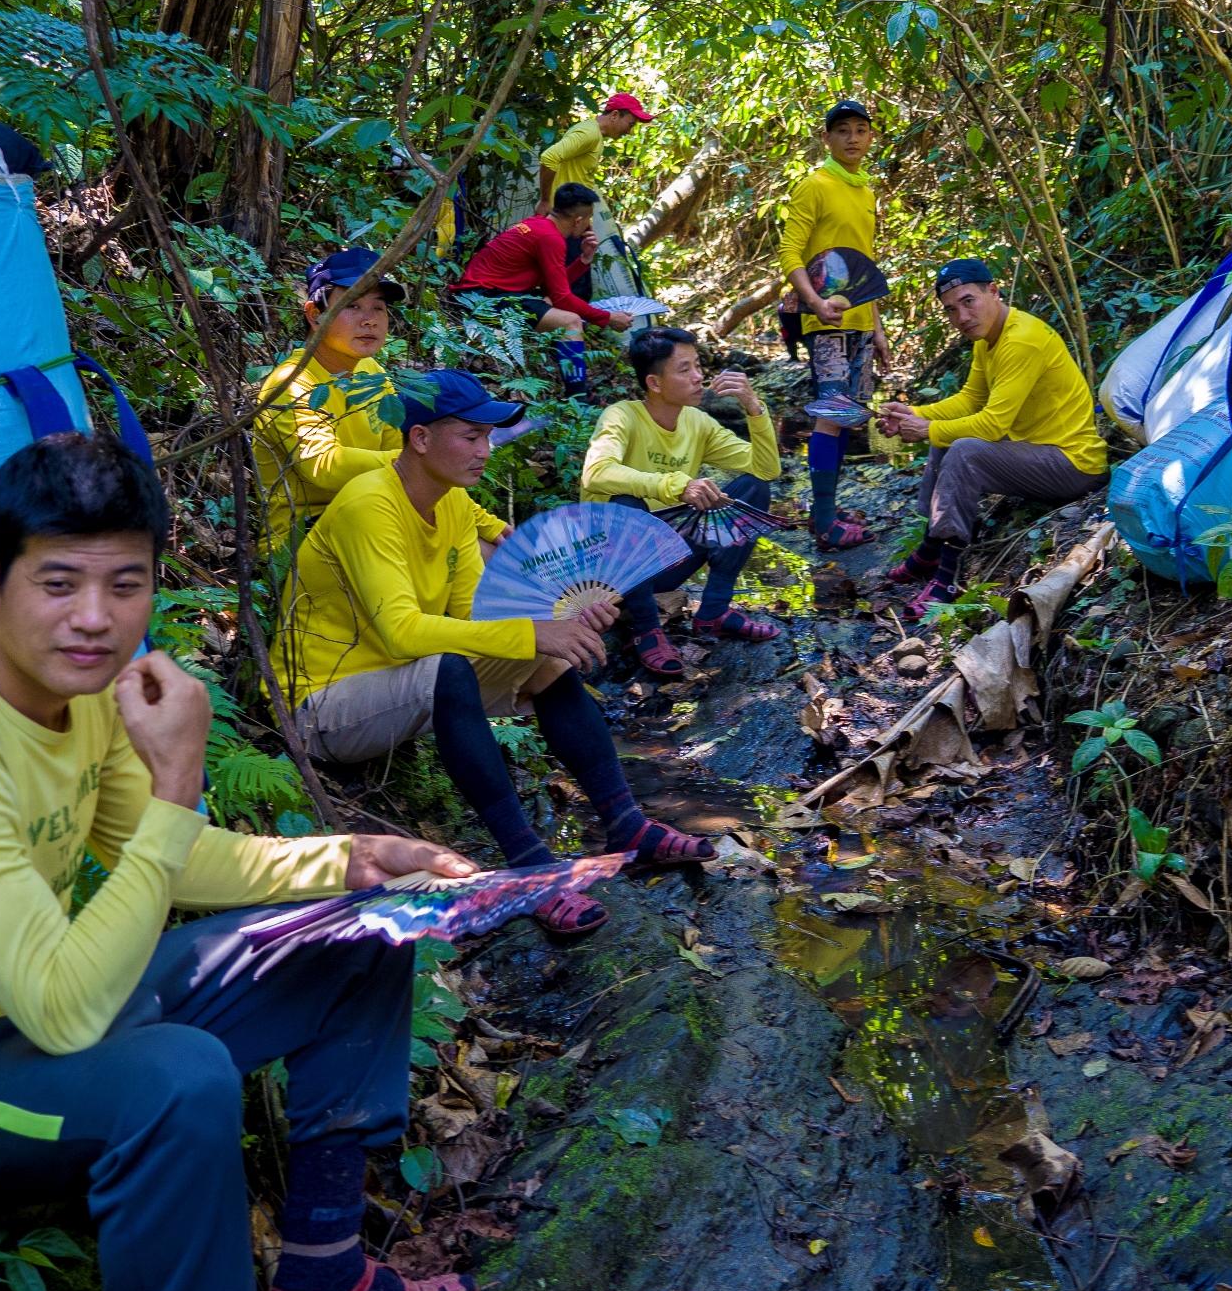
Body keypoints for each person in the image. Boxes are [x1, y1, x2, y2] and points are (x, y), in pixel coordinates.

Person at [0, 433, 482, 1291]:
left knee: (363, 931)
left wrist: (348, 861)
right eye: (58, 583)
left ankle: (326, 1281)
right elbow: (66, 1013)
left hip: (40, 991)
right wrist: (176, 788)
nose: (94, 620)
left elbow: (165, 860)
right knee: (176, 1079)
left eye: (126, 585)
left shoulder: (81, 691)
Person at [271, 368, 715, 936]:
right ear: (421, 439)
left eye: (487, 438)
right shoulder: (368, 506)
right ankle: (529, 868)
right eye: (471, 437)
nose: (485, 451)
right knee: (454, 668)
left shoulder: (453, 503)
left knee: (549, 660)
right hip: (322, 707)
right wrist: (532, 632)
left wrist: (559, 623)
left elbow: (469, 620)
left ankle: (625, 822)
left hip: (401, 681)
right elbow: (403, 633)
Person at [875, 260, 1109, 617]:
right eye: (951, 309)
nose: (962, 316)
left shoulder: (1020, 341)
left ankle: (947, 576)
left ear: (994, 291)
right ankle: (931, 546)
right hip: (1039, 452)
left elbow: (992, 426)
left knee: (964, 450)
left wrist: (925, 430)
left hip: (1073, 464)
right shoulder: (988, 340)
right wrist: (915, 414)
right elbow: (971, 400)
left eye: (969, 301)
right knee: (948, 438)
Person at [253, 247, 507, 559]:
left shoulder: (370, 372)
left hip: (372, 511)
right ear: (315, 315)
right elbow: (324, 468)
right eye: (352, 306)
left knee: (489, 553)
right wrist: (417, 464)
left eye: (378, 308)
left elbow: (404, 456)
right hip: (303, 541)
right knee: (475, 556)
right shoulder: (291, 384)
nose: (369, 321)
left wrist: (479, 519)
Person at [581, 327, 785, 675]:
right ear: (655, 383)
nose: (698, 377)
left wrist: (754, 408)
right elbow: (595, 473)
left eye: (698, 366)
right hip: (615, 570)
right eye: (684, 369)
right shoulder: (622, 416)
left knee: (754, 489)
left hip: (668, 558)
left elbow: (765, 469)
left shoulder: (696, 421)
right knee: (626, 504)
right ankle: (647, 630)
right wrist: (675, 485)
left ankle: (714, 612)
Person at [780, 99, 885, 549]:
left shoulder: (865, 191)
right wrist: (814, 303)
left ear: (870, 138)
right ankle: (824, 524)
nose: (852, 138)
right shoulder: (814, 185)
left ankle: (828, 507)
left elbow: (865, 270)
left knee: (847, 418)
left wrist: (877, 328)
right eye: (842, 130)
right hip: (825, 321)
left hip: (860, 320)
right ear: (827, 138)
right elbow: (790, 253)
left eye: (860, 130)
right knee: (832, 413)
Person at [451, 184, 627, 400]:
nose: (590, 225)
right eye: (589, 219)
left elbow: (553, 289)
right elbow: (563, 297)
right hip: (481, 297)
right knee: (570, 321)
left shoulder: (539, 225)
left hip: (482, 292)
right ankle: (579, 399)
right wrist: (608, 318)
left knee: (552, 304)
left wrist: (583, 260)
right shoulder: (550, 239)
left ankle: (579, 391)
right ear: (578, 221)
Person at [537, 92, 654, 212]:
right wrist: (545, 201)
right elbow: (549, 157)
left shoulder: (595, 134)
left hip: (574, 220)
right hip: (563, 218)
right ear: (614, 115)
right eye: (631, 124)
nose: (630, 131)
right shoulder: (590, 133)